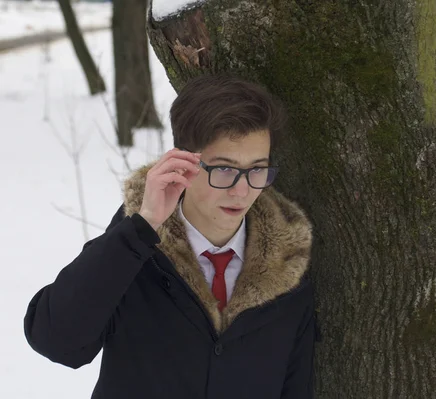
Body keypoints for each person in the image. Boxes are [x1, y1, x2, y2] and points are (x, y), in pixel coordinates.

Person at [24, 74, 316, 399]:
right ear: (184, 162)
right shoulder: (131, 252)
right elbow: (56, 342)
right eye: (224, 169)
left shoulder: (289, 268)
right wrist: (140, 228)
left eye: (256, 169)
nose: (242, 190)